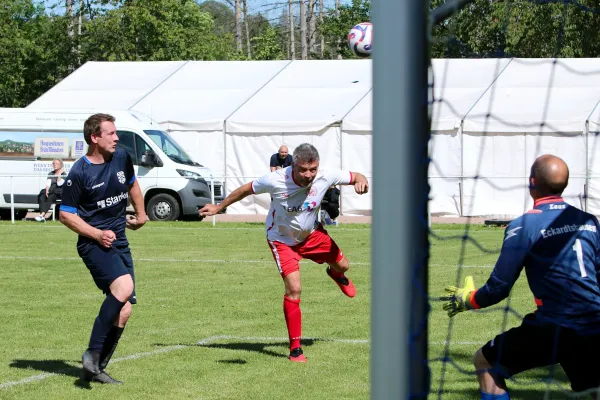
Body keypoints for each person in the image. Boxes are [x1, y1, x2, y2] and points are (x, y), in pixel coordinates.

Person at [441, 154, 600, 399]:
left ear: (531, 182)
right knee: (592, 388)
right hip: (593, 323)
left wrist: (469, 299)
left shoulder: (523, 226)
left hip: (554, 326)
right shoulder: (588, 221)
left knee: (486, 362)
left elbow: (499, 287)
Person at [200, 143, 369, 362]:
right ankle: (295, 348)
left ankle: (336, 274)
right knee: (294, 289)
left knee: (344, 265)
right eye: (303, 170)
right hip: (281, 240)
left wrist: (362, 180)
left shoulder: (326, 175)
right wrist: (218, 207)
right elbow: (244, 190)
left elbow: (357, 176)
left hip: (312, 235)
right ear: (293, 165)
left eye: (313, 170)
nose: (308, 175)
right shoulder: (275, 179)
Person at [59, 113, 148, 384]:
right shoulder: (80, 172)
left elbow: (132, 184)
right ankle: (92, 352)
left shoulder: (121, 158)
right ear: (94, 138)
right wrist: (97, 234)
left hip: (119, 240)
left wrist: (141, 215)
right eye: (110, 133)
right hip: (93, 244)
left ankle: (95, 369)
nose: (117, 137)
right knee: (123, 288)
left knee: (124, 310)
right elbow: (66, 215)